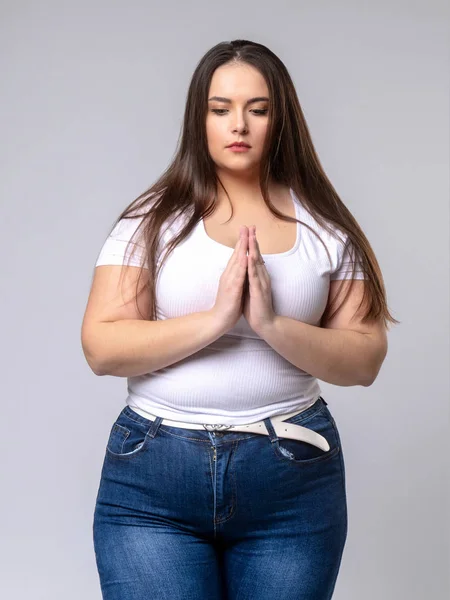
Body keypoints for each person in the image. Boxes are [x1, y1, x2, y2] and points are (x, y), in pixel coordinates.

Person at [82, 39, 396, 600]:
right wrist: (218, 318)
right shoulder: (151, 219)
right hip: (155, 478)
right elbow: (101, 348)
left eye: (258, 108)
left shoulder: (327, 227)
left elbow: (364, 359)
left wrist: (271, 324)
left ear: (281, 118)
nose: (239, 125)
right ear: (197, 118)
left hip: (291, 479)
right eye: (220, 108)